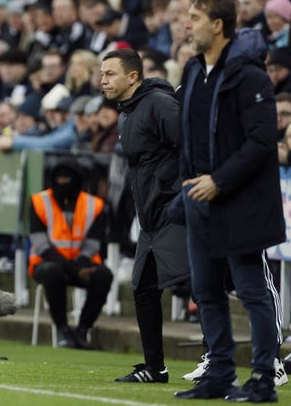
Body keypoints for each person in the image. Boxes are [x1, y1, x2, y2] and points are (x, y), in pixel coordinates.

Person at [173, 0, 285, 402]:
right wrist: (188, 182)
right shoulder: (191, 70)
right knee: (205, 290)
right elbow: (189, 134)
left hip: (238, 198)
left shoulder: (248, 74)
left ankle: (262, 379)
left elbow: (260, 141)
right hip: (199, 196)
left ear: (218, 25)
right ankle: (219, 372)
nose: (188, 24)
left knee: (252, 289)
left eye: (196, 18)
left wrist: (219, 180)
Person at [100, 48, 190, 383]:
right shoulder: (126, 113)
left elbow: (191, 149)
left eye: (110, 74)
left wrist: (181, 196)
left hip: (175, 209)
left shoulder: (159, 104)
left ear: (133, 76)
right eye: (102, 73)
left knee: (203, 283)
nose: (103, 80)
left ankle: (222, 359)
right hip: (150, 217)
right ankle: (155, 367)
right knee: (143, 288)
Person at [28, 158, 113, 349]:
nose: (64, 183)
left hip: (83, 263)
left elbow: (93, 244)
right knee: (53, 271)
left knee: (103, 276)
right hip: (47, 263)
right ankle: (62, 329)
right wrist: (75, 269)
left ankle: (82, 330)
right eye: (60, 178)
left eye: (68, 178)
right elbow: (42, 247)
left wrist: (80, 265)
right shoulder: (38, 202)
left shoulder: (95, 205)